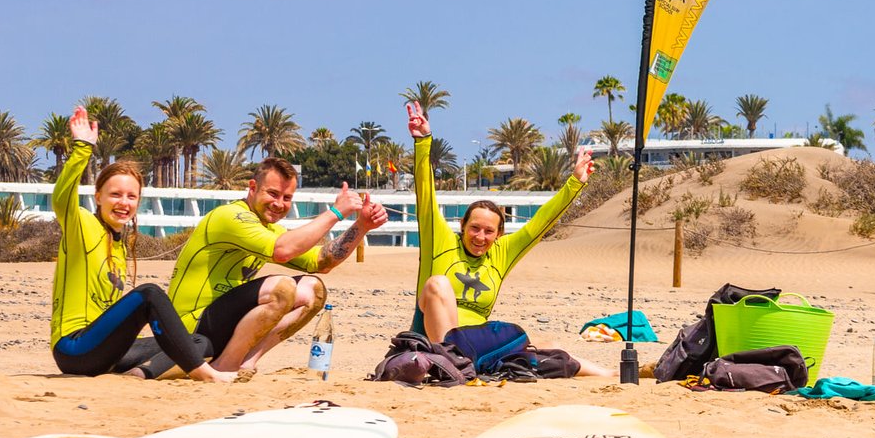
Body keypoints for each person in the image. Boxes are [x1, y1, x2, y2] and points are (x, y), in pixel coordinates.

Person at [406, 102, 609, 376]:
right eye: (474, 228)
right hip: (439, 347)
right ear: (462, 225)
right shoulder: (440, 242)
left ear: (498, 234)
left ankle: (613, 375)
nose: (480, 237)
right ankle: (450, 364)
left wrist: (575, 182)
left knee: (553, 349)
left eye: (489, 232)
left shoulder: (501, 253)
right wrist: (422, 142)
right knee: (438, 283)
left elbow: (540, 224)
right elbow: (426, 197)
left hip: (479, 346)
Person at [49, 106, 234, 382]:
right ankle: (206, 374)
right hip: (75, 348)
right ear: (98, 196)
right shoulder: (83, 226)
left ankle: (139, 375)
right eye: (115, 194)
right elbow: (62, 198)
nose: (124, 203)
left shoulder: (121, 245)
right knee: (149, 294)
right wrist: (82, 149)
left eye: (131, 196)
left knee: (197, 341)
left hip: (106, 352)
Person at [166, 156, 387, 375]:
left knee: (313, 289)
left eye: (287, 197)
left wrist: (362, 226)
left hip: (222, 328)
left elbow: (321, 262)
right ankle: (226, 365)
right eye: (272, 194)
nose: (279, 203)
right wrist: (335, 213)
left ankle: (245, 361)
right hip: (188, 329)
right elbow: (282, 251)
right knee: (282, 288)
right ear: (253, 187)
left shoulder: (269, 229)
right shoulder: (230, 216)